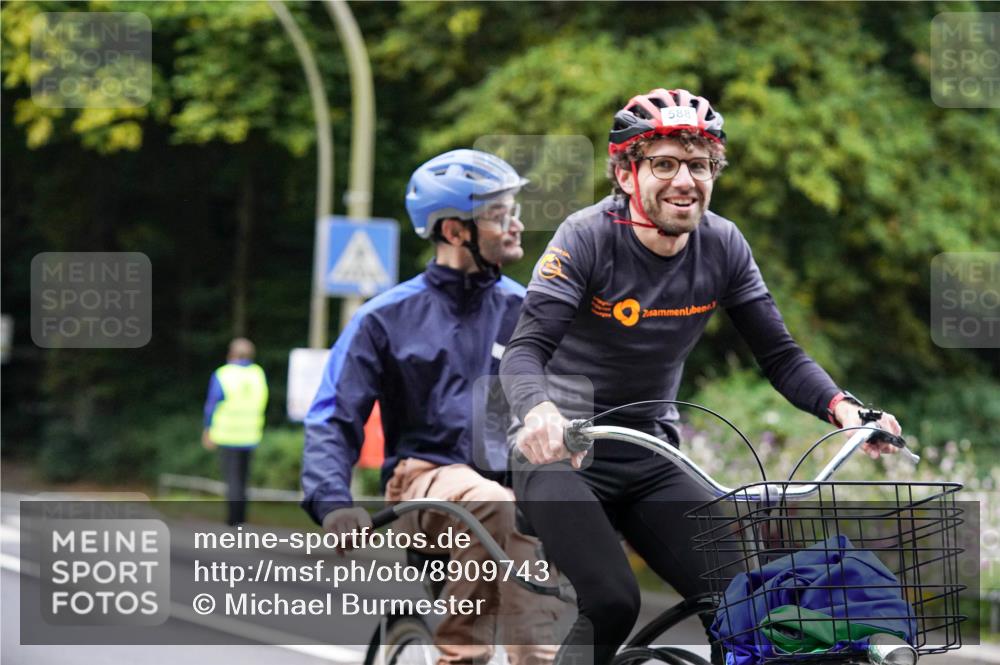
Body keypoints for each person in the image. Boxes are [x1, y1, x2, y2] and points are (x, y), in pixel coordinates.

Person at [499, 88, 903, 665]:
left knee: (743, 610)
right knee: (613, 601)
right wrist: (540, 412)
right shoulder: (586, 237)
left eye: (700, 164)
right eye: (664, 164)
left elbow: (781, 355)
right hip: (563, 455)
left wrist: (845, 410)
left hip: (652, 456)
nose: (685, 180)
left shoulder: (723, 244)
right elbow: (524, 350)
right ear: (626, 173)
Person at [301, 149, 559, 665]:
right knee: (493, 503)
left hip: (511, 494)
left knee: (539, 643)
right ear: (454, 231)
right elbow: (333, 416)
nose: (516, 224)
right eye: (499, 214)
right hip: (422, 485)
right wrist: (333, 502)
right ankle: (460, 658)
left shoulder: (526, 311)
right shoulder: (385, 317)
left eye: (513, 210)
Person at [203, 337, 269, 527]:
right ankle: (242, 518)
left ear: (231, 354)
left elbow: (211, 405)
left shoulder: (224, 374)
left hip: (227, 434)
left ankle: (232, 520)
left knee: (232, 479)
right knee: (244, 479)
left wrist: (207, 429)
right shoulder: (258, 374)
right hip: (250, 434)